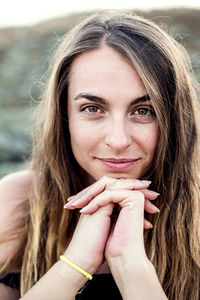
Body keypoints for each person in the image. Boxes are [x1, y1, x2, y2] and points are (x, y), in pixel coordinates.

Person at [0, 10, 199, 300]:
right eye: (93, 109)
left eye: (144, 111)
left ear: (174, 118)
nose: (118, 140)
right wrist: (74, 266)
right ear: (63, 114)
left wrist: (130, 267)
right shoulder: (19, 202)